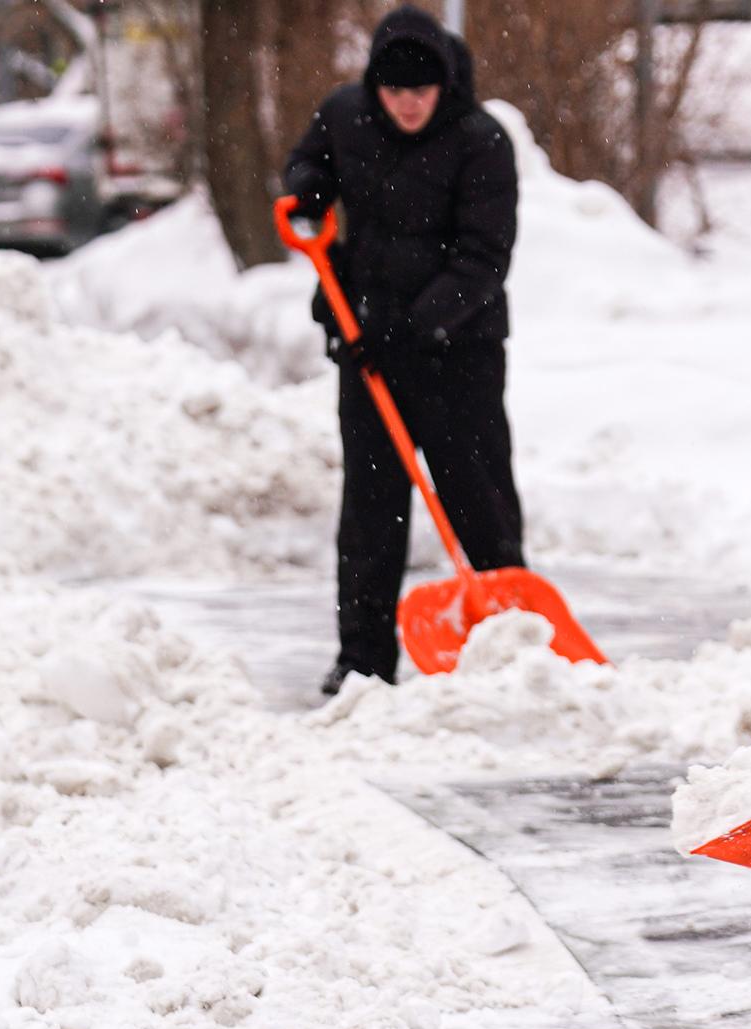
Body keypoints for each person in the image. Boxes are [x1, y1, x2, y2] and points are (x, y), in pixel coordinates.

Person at [284, 4, 524, 697]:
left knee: (477, 498)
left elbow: (485, 256)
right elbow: (310, 165)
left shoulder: (481, 141)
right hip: (369, 349)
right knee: (372, 508)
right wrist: (305, 188)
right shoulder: (345, 116)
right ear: (374, 89)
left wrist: (423, 325)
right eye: (394, 92)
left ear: (443, 84)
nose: (409, 104)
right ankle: (362, 657)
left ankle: (506, 646)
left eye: (420, 91)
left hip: (461, 355)